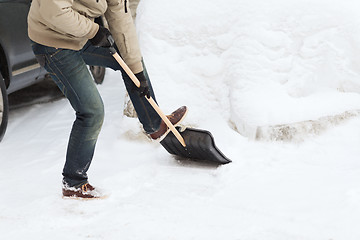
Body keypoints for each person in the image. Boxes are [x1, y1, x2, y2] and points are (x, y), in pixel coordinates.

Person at [27, 0, 187, 199]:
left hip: (79, 34)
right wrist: (94, 31)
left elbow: (121, 19)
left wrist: (137, 73)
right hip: (53, 42)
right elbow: (54, 11)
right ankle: (73, 182)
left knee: (129, 62)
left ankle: (155, 124)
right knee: (91, 112)